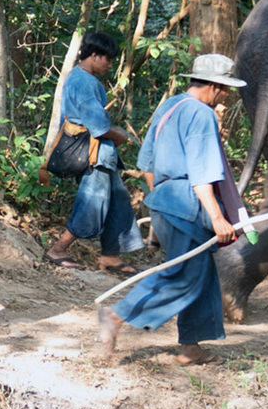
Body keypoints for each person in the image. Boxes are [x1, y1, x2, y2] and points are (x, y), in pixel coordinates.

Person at [98, 53, 244, 366]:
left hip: (164, 200)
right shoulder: (202, 115)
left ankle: (190, 348)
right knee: (183, 274)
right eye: (226, 89)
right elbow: (202, 173)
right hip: (187, 206)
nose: (227, 96)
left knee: (201, 275)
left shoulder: (170, 105)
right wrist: (217, 218)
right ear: (215, 86)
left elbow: (147, 163)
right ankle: (117, 315)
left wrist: (161, 205)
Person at [44, 32, 144, 274]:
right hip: (94, 157)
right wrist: (119, 134)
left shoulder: (80, 78)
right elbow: (99, 127)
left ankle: (110, 256)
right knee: (92, 204)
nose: (110, 65)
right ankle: (58, 249)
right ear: (94, 55)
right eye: (107, 60)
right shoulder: (85, 82)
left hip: (101, 157)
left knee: (118, 203)